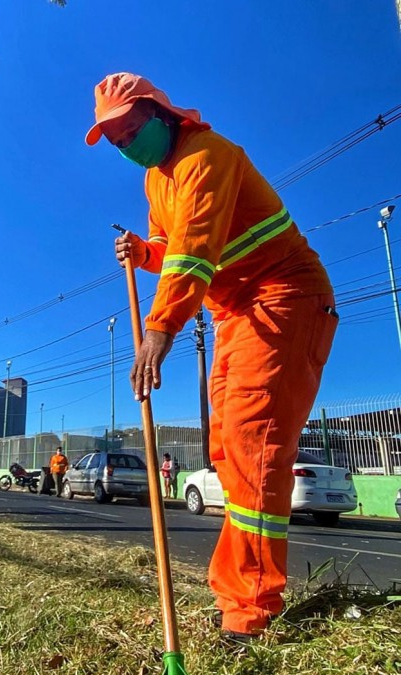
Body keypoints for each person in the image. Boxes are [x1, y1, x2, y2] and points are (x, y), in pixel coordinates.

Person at [86, 73, 337, 639]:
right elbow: (172, 250)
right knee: (228, 446)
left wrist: (159, 331)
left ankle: (248, 610)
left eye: (131, 131)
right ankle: (239, 593)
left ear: (160, 113)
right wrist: (143, 250)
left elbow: (194, 255)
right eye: (118, 141)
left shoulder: (207, 156)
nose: (128, 146)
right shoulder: (157, 180)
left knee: (255, 443)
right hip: (234, 315)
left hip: (284, 298)